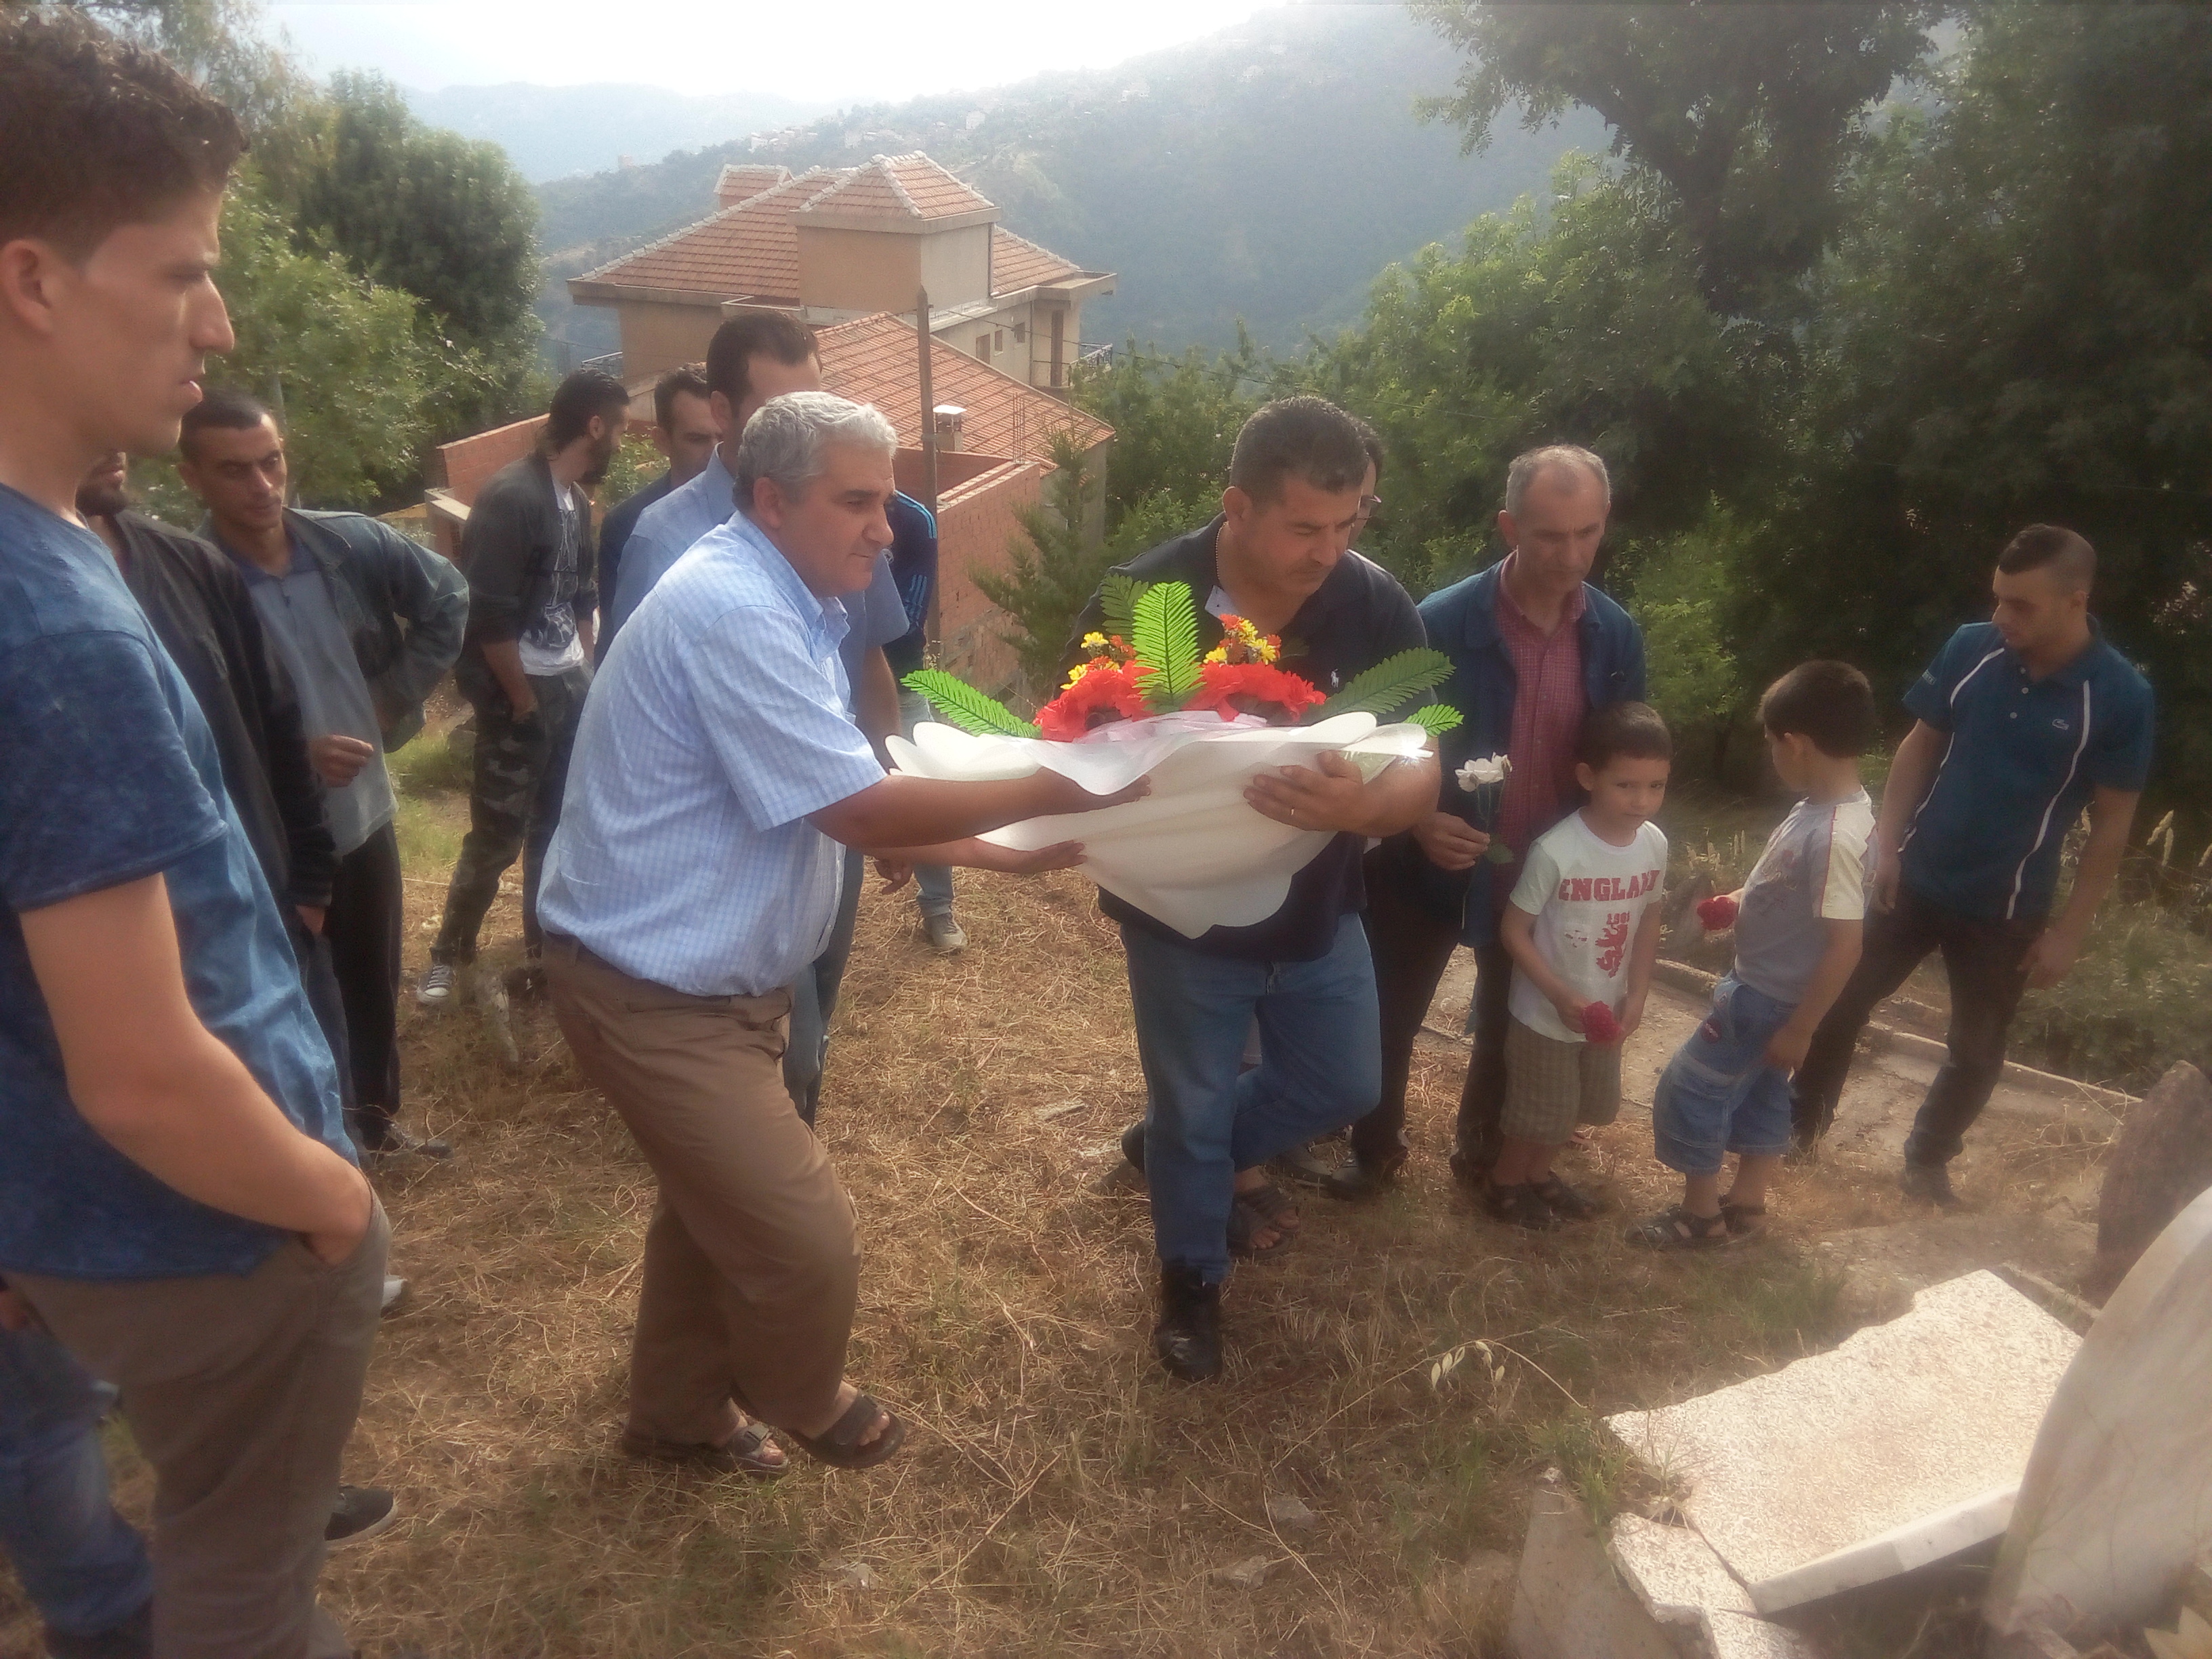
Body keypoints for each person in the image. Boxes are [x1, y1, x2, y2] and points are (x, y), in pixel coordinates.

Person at [537, 391, 1143, 1475]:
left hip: (716, 988)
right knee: (801, 1239)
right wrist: (1068, 785)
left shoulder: (798, 600)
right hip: (652, 993)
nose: (888, 527)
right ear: (770, 500)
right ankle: (800, 1391)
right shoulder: (736, 611)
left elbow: (845, 790)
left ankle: (676, 1417)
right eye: (858, 502)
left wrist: (1008, 851)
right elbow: (861, 813)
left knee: (709, 1214)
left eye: (891, 499)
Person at [0, 14, 383, 1656]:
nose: (216, 325)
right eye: (179, 276)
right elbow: (146, 1068)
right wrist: (330, 1202)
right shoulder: (53, 627)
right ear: (32, 281)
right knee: (242, 1571)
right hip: (201, 1222)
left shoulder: (56, 554)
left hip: (71, 1215)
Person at [1073, 396, 1440, 1382]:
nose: (1332, 550)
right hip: (1180, 920)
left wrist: (1359, 814)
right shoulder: (1147, 602)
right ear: (1238, 505)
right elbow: (1073, 760)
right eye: (1306, 527)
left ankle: (1175, 1151)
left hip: (1321, 908)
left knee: (1344, 1083)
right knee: (1197, 1104)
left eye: (1352, 521)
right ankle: (1191, 1281)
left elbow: (1423, 765)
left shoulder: (1372, 603)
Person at [1790, 526, 2154, 1206]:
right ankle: (1798, 1130)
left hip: (2009, 906)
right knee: (1838, 1003)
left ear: (2076, 601)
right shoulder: (1972, 647)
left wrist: (2070, 932)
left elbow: (2113, 827)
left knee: (1978, 1052)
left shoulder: (2121, 696)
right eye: (1998, 600)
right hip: (1915, 876)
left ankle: (1927, 1159)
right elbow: (1918, 748)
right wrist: (1887, 844)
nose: (2002, 618)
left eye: (2022, 606)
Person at [607, 312, 913, 1121]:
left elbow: (868, 661)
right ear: (722, 413)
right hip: (731, 862)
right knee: (779, 1062)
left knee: (811, 998)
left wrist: (888, 792)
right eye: (777, 409)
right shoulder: (673, 545)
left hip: (832, 810)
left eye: (814, 402)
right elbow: (638, 728)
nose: (801, 428)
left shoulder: (845, 518)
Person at [1327, 445, 1647, 1201]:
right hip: (1433, 858)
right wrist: (1417, 822)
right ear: (1509, 527)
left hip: (1549, 874)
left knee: (1519, 1024)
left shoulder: (1614, 635)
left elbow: (1624, 749)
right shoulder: (1436, 624)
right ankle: (1374, 1153)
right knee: (1389, 1014)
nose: (1571, 554)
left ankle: (1488, 1158)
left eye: (1588, 533)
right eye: (1549, 535)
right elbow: (1381, 744)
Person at [179, 390, 469, 1161]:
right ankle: (318, 1155)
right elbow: (179, 717)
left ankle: (374, 1128)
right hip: (267, 833)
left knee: (371, 981)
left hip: (365, 815)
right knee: (294, 998)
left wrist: (392, 697)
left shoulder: (350, 547)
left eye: (270, 462)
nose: (262, 485)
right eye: (234, 470)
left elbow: (450, 595)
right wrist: (289, 754)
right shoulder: (186, 586)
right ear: (192, 479)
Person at [1631, 663, 1877, 1248]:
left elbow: (1847, 942)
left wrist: (1802, 1028)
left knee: (1691, 1089)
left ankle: (1698, 1217)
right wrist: (1738, 902)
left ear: (1793, 744)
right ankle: (1748, 1207)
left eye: (1771, 744)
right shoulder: (1825, 810)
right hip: (1773, 995)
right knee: (1765, 1096)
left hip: (1768, 999)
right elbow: (1787, 887)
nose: (1771, 756)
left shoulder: (1838, 835)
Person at [420, 367, 626, 1008]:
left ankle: (541, 950)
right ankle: (447, 956)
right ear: (595, 426)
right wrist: (522, 701)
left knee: (554, 828)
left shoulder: (576, 503)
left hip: (566, 684)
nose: (620, 439)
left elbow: (582, 597)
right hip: (522, 694)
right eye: (618, 426)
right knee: (497, 835)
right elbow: (489, 615)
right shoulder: (513, 498)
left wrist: (586, 676)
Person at [1488, 702, 1671, 1229]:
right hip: (1547, 1014)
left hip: (1605, 1007)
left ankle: (1539, 1176)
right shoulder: (1558, 851)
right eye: (1626, 786)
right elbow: (1513, 931)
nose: (1642, 802)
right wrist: (1559, 995)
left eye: (1656, 786)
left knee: (1574, 1108)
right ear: (1589, 777)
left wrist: (1636, 996)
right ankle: (1504, 1182)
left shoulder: (1653, 847)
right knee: (1538, 1111)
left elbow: (1648, 921)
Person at [884, 489, 968, 954]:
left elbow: (907, 618)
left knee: (924, 788)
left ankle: (938, 906)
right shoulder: (821, 502)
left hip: (901, 679)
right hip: (835, 681)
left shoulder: (914, 519)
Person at [595, 362, 714, 663]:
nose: (716, 453)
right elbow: (618, 638)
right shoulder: (628, 525)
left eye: (723, 437)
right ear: (662, 441)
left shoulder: (760, 513)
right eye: (698, 439)